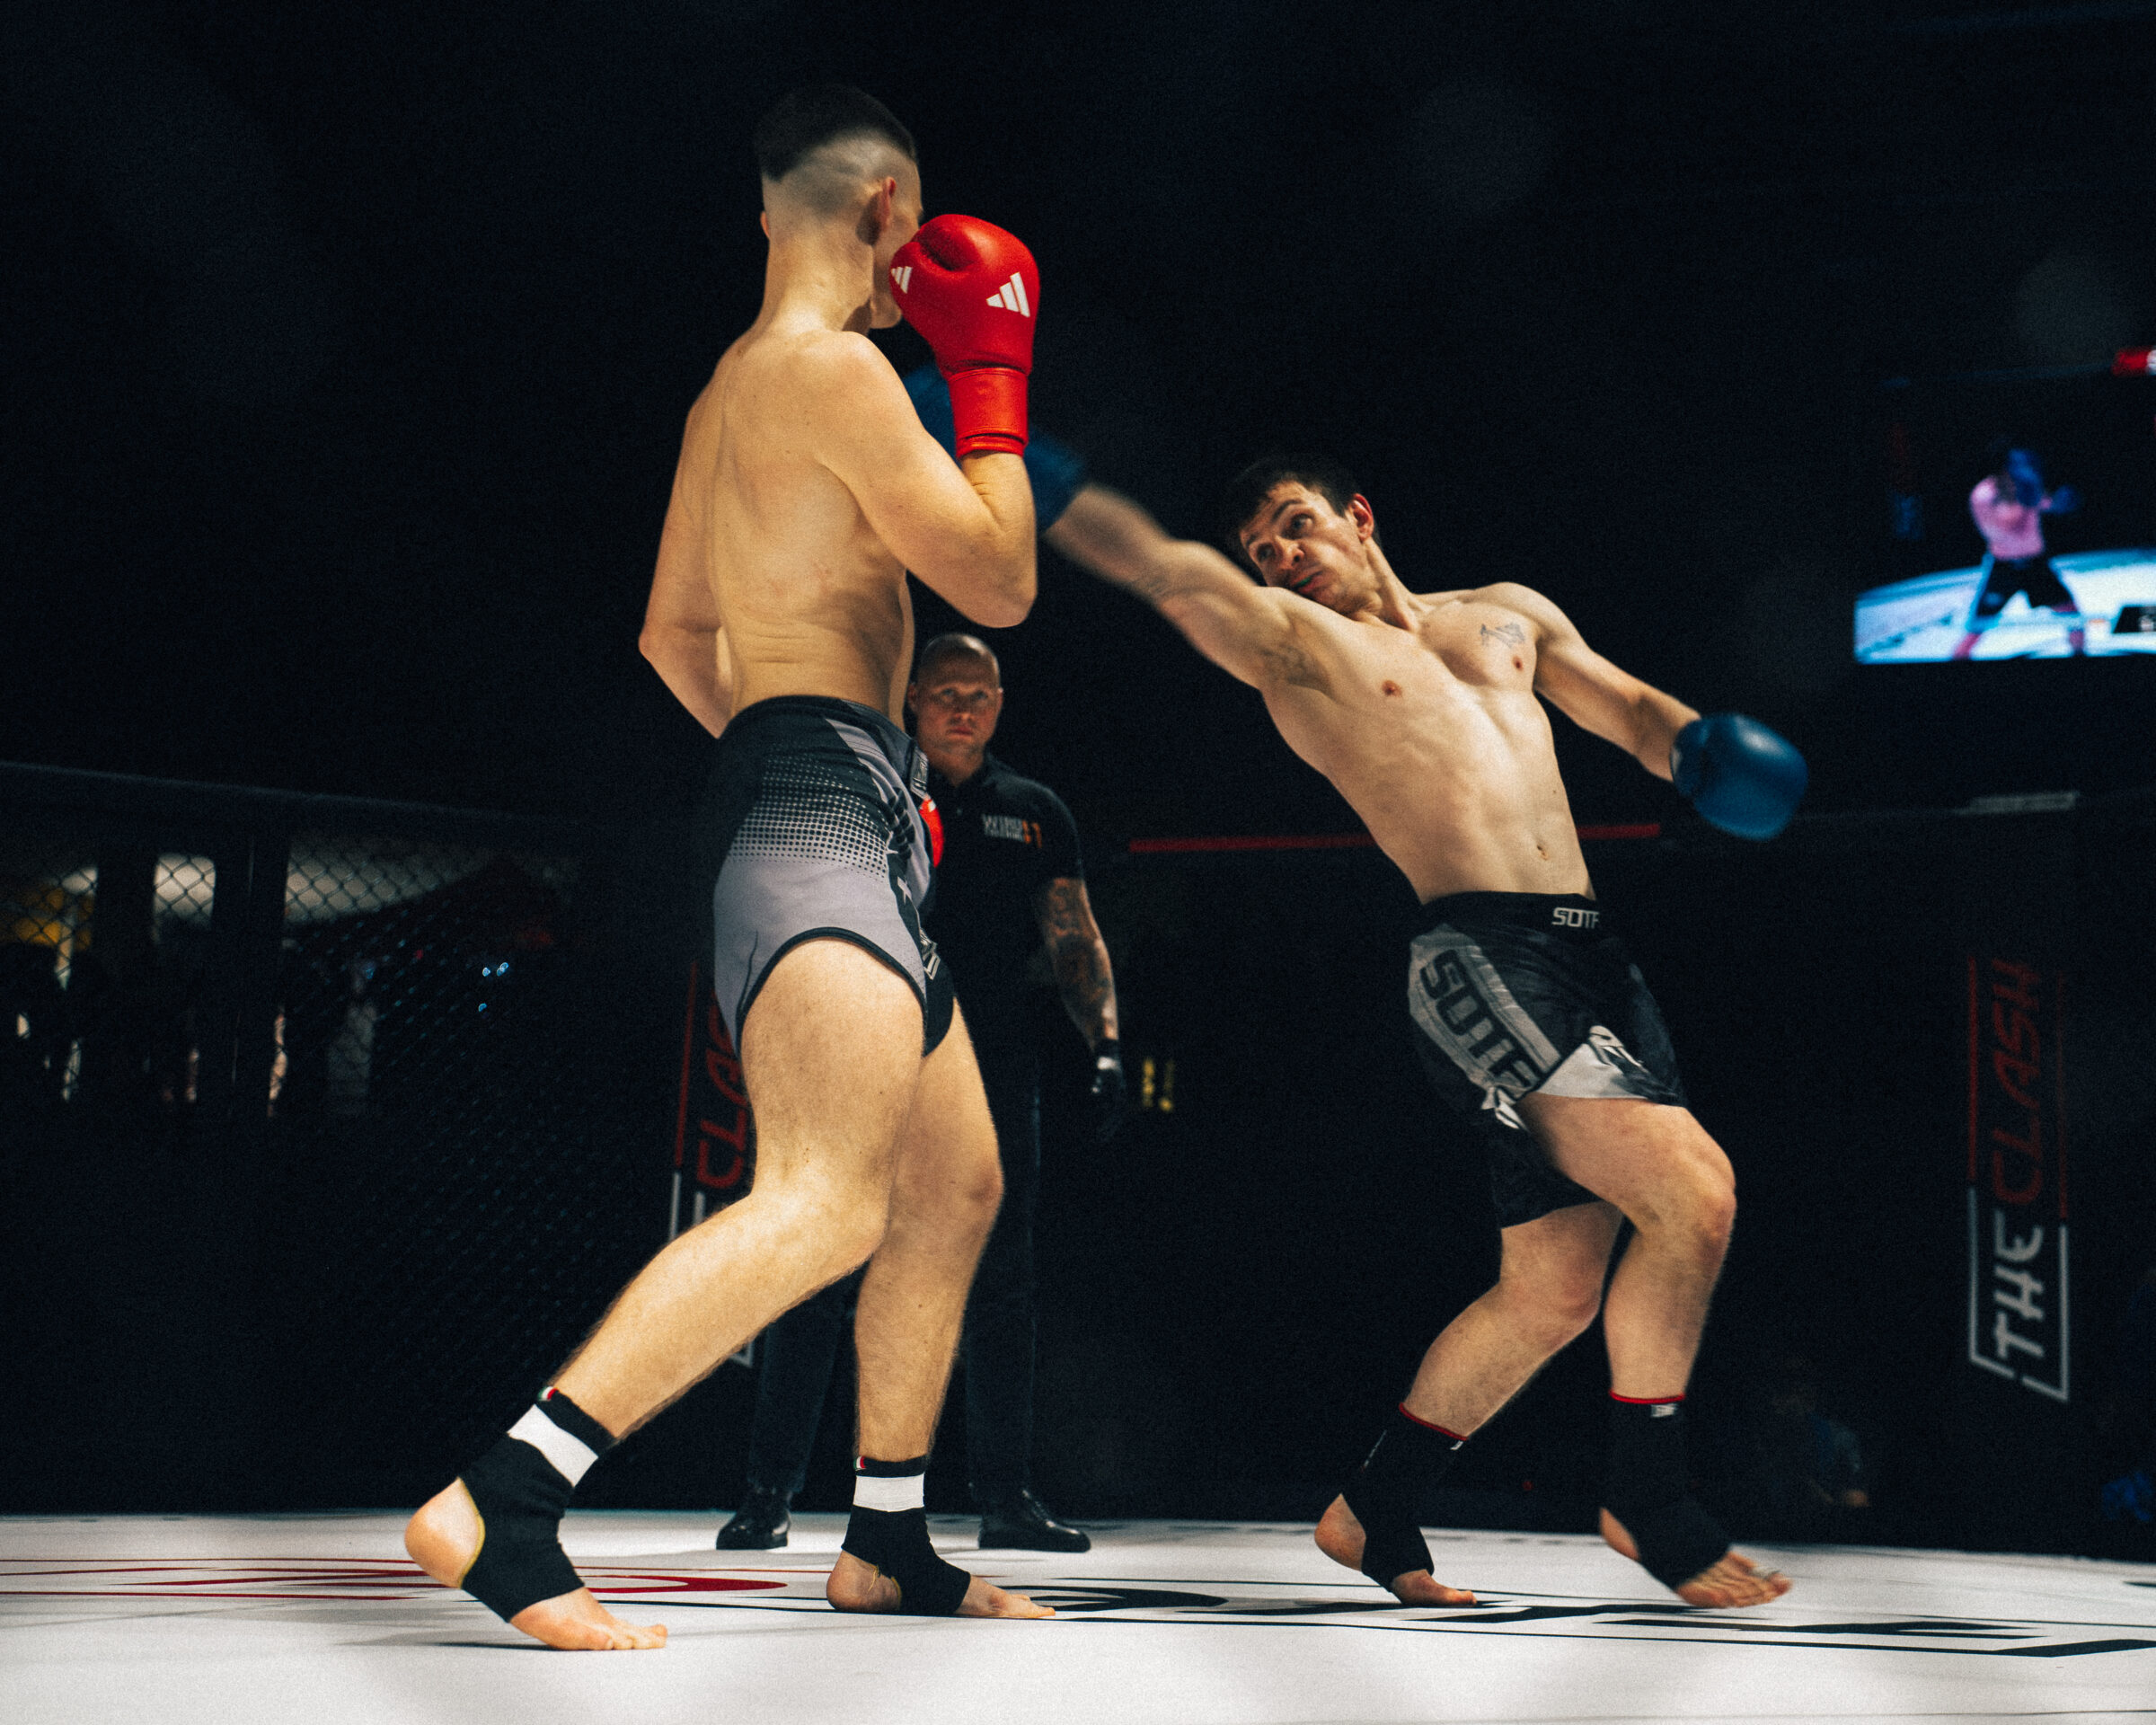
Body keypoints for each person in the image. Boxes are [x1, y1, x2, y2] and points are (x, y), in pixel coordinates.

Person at [404, 84, 1052, 1649]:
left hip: (826, 790)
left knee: (954, 1181)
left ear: (771, 214)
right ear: (889, 210)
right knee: (825, 1198)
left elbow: (670, 634)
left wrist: (809, 753)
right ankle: (508, 1494)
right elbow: (999, 579)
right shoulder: (838, 373)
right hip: (822, 799)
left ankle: (885, 1537)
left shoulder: (726, 393)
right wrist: (991, 381)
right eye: (914, 232)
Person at [1046, 455, 1806, 1608]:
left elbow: (1626, 707)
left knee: (1553, 1291)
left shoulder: (1508, 617)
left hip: (1592, 955)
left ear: (1359, 516)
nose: (1283, 557)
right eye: (1264, 550)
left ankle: (1374, 1506)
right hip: (1481, 957)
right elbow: (1166, 571)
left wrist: (1697, 749)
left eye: (1296, 526)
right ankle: (1648, 1496)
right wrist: (1028, 468)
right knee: (1694, 1192)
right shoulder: (1302, 650)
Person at [719, 630, 1121, 1556]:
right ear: (911, 699)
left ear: (1001, 703)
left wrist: (1104, 1041)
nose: (963, 709)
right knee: (822, 1260)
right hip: (868, 1048)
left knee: (1000, 1277)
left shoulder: (1033, 810)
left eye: (980, 694)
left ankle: (1006, 1498)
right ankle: (767, 1492)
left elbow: (1074, 934)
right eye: (946, 692)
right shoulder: (870, 790)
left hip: (991, 1061)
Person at [1953, 444, 2084, 659]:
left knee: (2074, 616)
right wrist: (2025, 501)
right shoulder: (1984, 495)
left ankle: (2080, 657)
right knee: (1977, 627)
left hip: (2036, 566)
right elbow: (2000, 531)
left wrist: (2060, 503)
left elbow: (2046, 504)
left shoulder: (2026, 486)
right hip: (2005, 570)